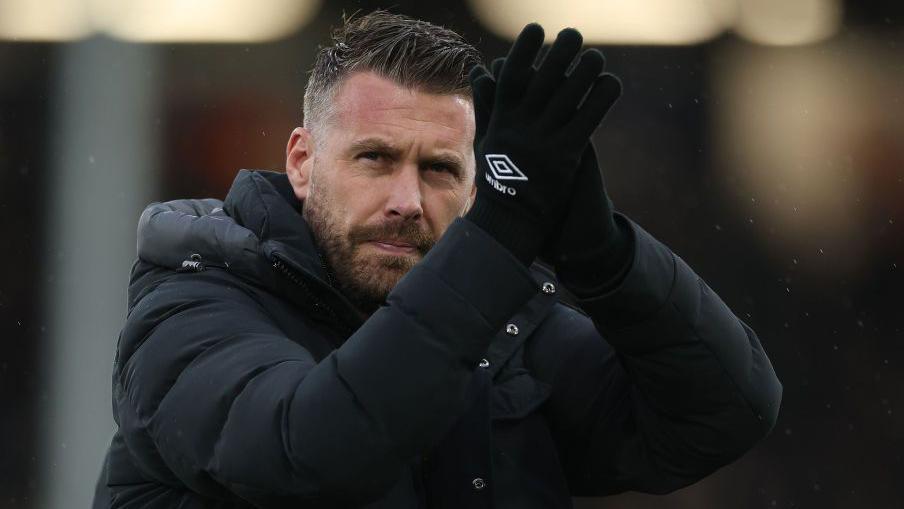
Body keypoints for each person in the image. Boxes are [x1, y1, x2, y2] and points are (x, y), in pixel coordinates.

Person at [93, 10, 781, 509]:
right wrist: (499, 235)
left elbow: (724, 412)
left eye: (441, 170)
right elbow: (315, 452)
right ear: (301, 162)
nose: (407, 200)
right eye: (375, 158)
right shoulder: (192, 309)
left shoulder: (504, 328)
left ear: (475, 185)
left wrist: (602, 254)